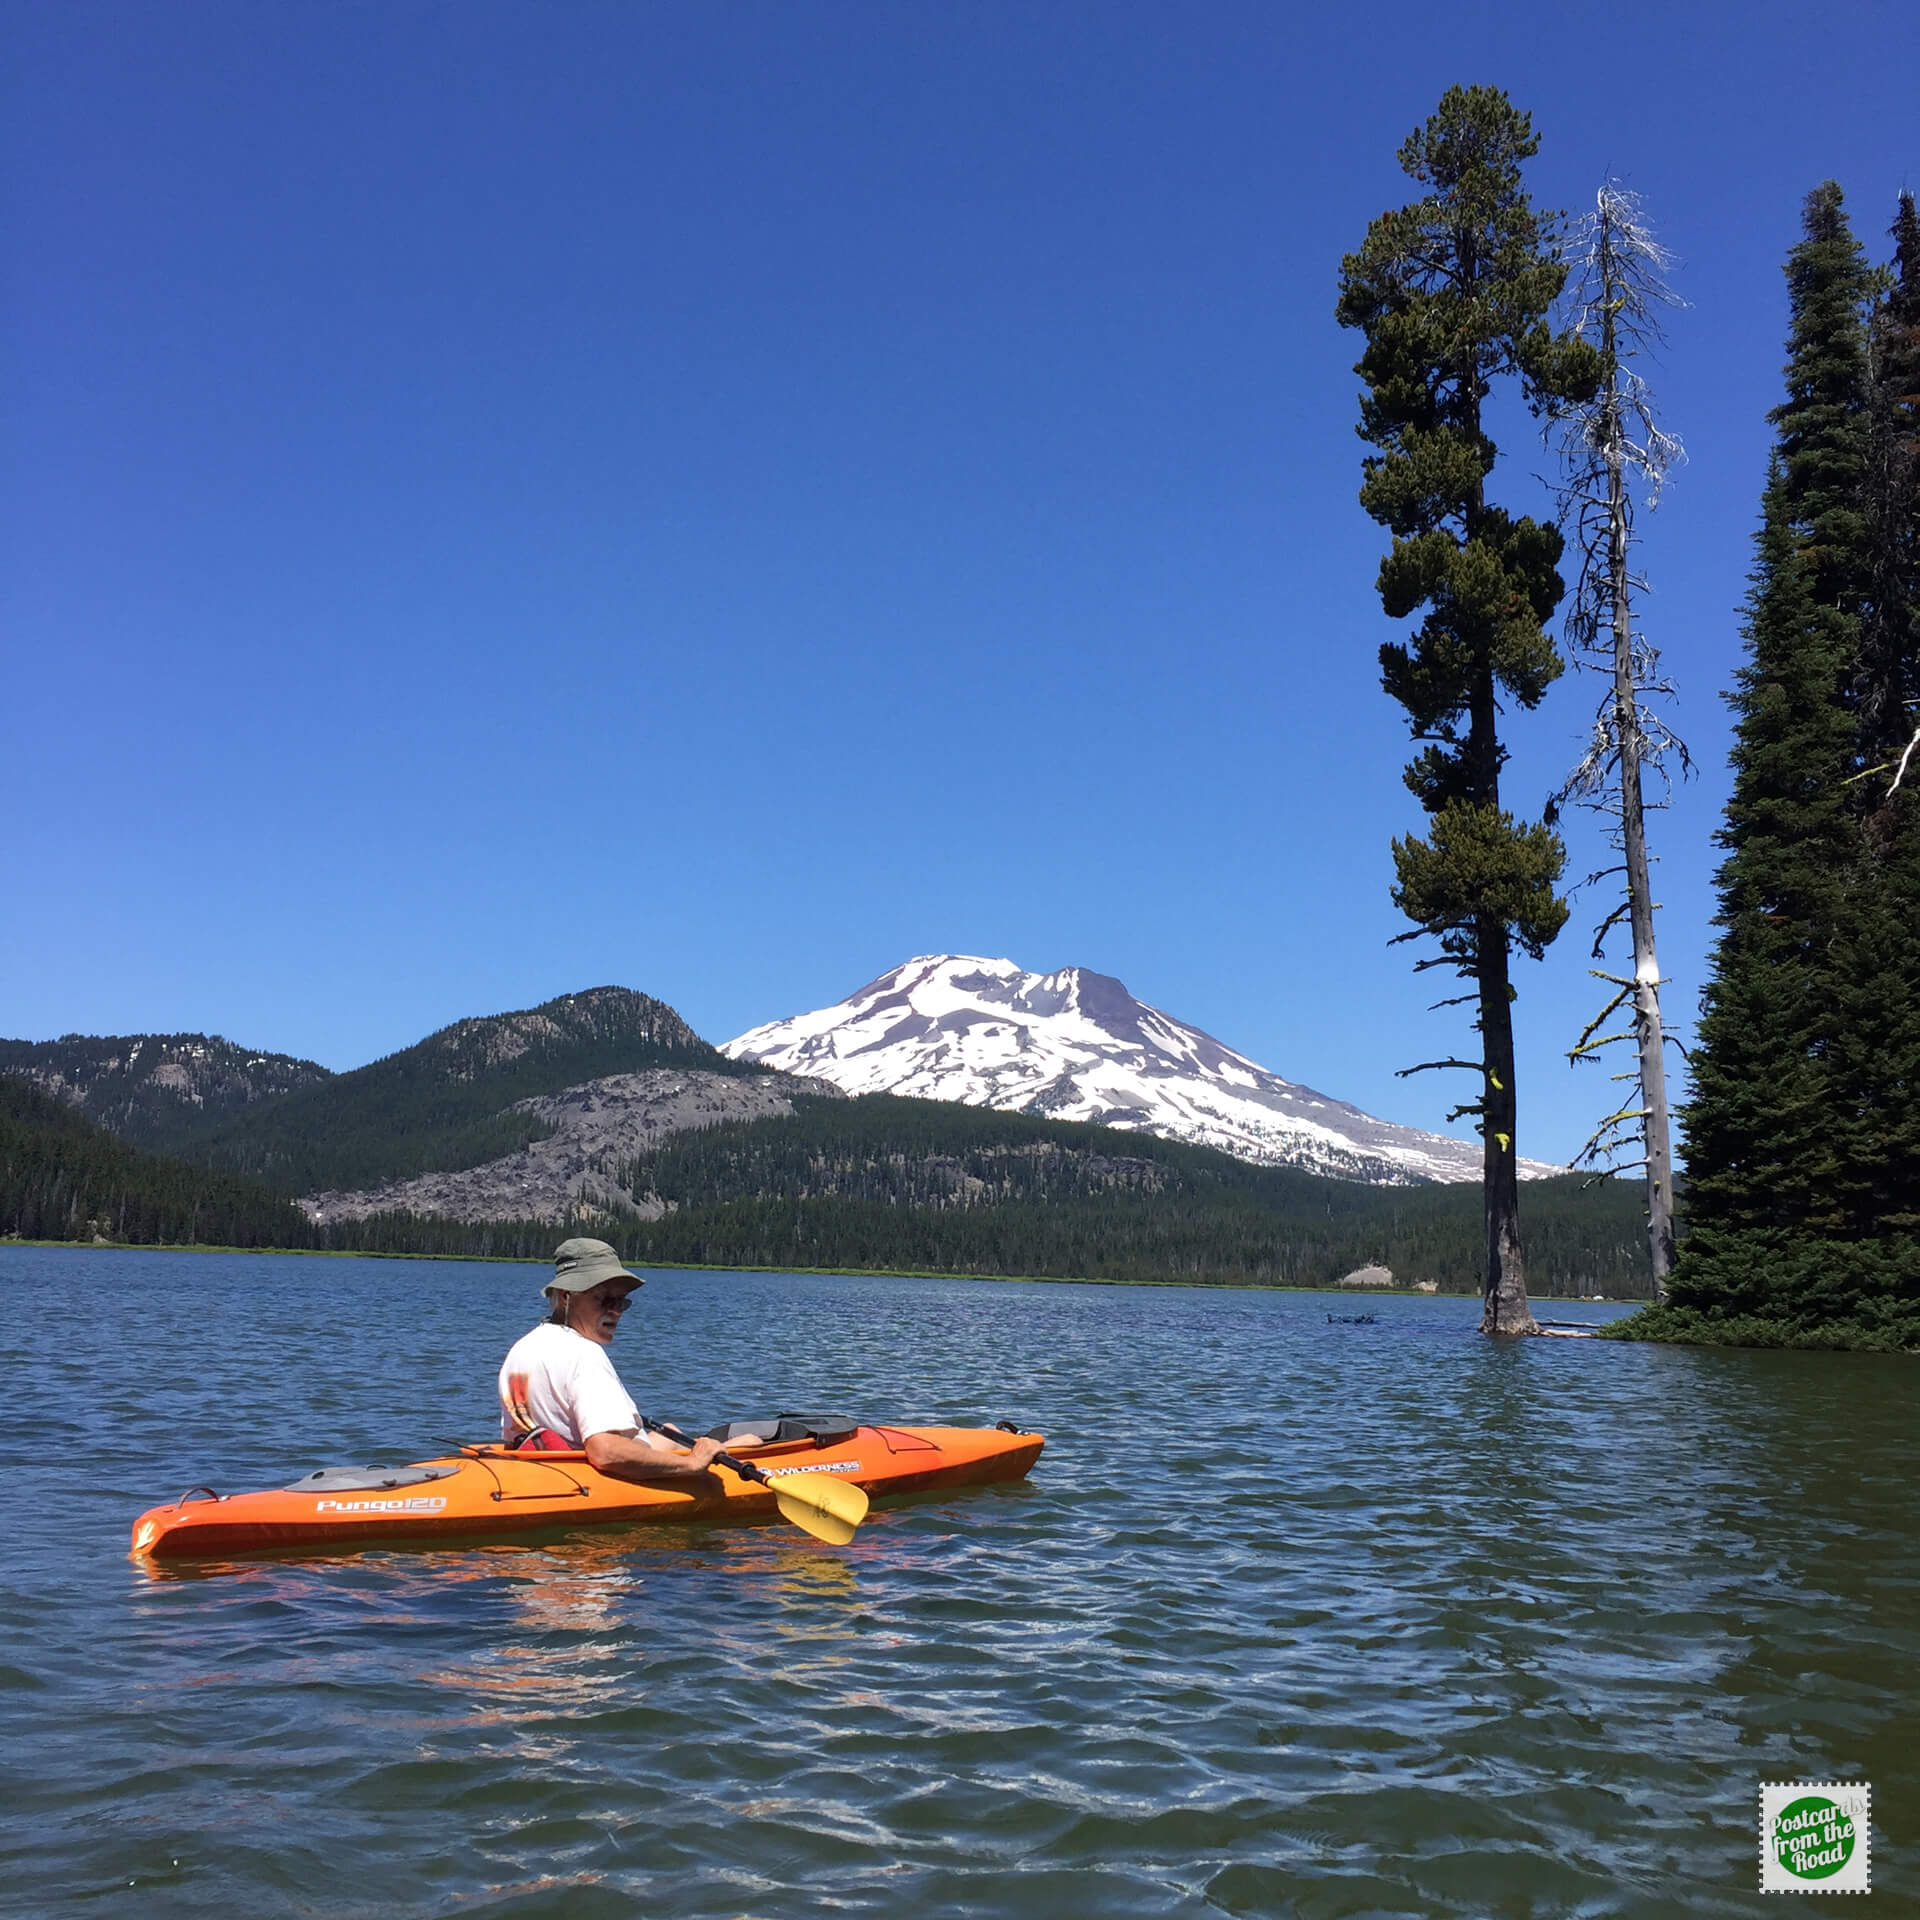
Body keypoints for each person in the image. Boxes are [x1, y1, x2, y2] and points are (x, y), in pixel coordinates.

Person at [498, 1238, 723, 1485]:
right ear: (565, 1297)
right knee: (748, 1443)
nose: (615, 1312)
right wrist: (692, 1464)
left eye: (621, 1302)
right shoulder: (584, 1354)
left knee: (671, 1432)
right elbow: (605, 1451)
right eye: (605, 1300)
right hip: (586, 1480)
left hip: (542, 1470)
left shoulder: (523, 1347)